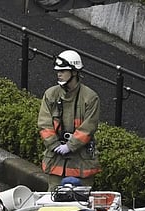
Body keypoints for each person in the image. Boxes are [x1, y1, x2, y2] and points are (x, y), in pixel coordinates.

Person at [38, 50, 101, 188]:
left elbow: (88, 128)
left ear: (74, 72)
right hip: (56, 162)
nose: (59, 74)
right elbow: (44, 124)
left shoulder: (90, 98)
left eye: (63, 71)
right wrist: (54, 145)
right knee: (53, 201)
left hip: (81, 163)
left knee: (80, 203)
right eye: (58, 71)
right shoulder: (51, 95)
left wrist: (70, 145)